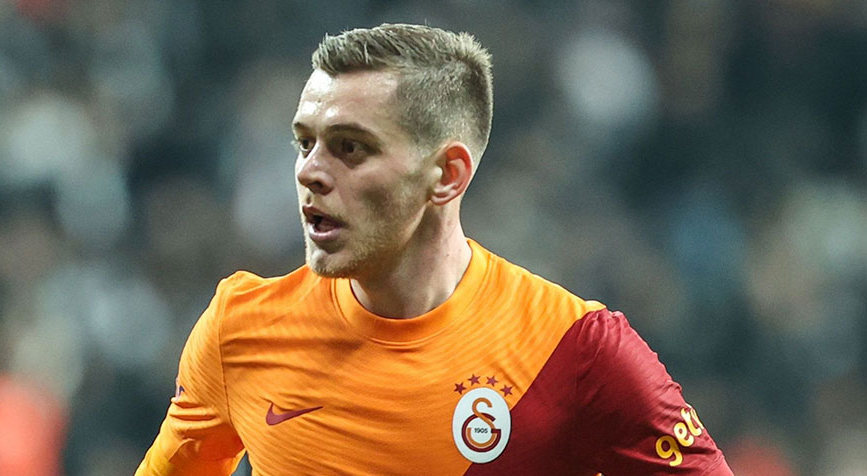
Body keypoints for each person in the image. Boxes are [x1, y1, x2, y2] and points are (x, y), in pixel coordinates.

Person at [135, 23, 733, 475]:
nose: (309, 171)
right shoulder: (241, 328)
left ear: (447, 175)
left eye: (349, 148)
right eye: (304, 143)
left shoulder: (574, 349)